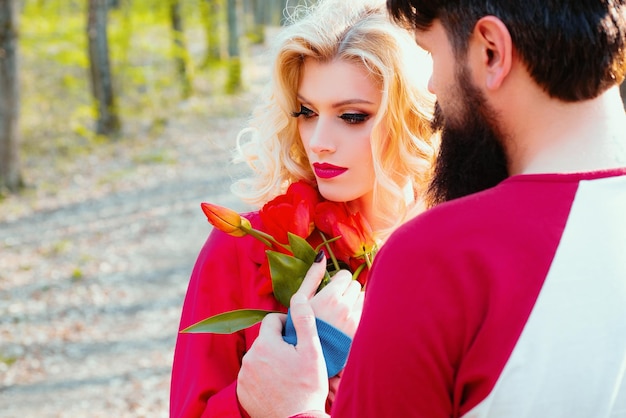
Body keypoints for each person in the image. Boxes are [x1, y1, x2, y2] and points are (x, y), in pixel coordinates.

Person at [235, 0, 626, 416]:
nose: (433, 88)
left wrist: (294, 408)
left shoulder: (434, 256)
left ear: (490, 50)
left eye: (433, 54)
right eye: (307, 112)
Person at [169, 0, 438, 416]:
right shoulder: (244, 250)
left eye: (351, 116)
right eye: (307, 112)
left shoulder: (456, 248)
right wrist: (301, 356)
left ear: (414, 118)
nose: (318, 141)